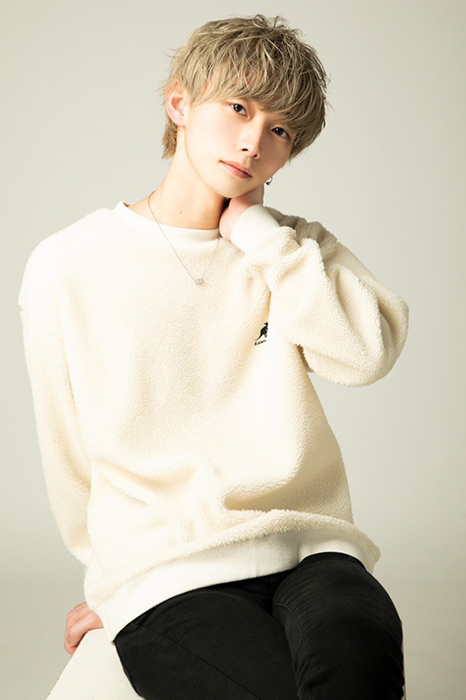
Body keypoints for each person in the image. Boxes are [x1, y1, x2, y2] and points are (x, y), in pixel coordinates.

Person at [18, 14, 408, 700]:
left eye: (281, 130)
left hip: (309, 549)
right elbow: (68, 455)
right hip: (169, 571)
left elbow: (365, 354)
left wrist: (258, 233)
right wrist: (113, 581)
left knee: (357, 664)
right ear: (179, 105)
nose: (254, 140)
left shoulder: (294, 251)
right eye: (239, 108)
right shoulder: (68, 265)